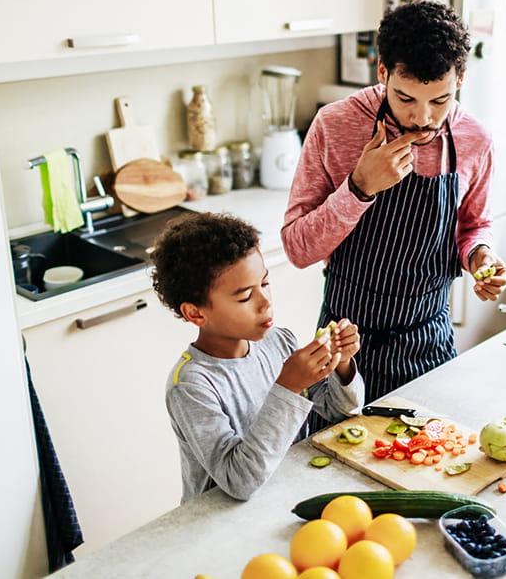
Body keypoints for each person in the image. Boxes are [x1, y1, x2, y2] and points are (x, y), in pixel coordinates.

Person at [281, 1, 506, 419]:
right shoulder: (335, 126)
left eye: (440, 100)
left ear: (461, 78)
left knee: (426, 468)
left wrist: (481, 256)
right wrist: (359, 187)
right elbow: (297, 248)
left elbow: (474, 225)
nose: (422, 119)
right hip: (344, 350)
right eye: (406, 98)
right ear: (382, 72)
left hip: (429, 346)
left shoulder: (475, 140)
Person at [151, 213, 364, 502]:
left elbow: (341, 413)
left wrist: (342, 364)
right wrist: (287, 387)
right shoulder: (191, 386)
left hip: (284, 499)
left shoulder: (279, 342)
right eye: (244, 297)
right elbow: (239, 481)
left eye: (264, 284)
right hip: (218, 525)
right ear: (196, 313)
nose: (266, 303)